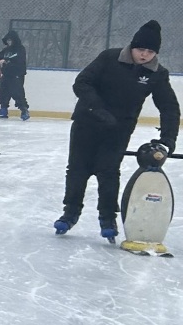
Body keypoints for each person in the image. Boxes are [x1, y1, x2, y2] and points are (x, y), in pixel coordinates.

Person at [56, 20, 179, 241]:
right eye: (141, 49)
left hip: (118, 129)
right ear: (132, 46)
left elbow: (169, 107)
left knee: (109, 171)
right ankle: (70, 213)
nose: (144, 55)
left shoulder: (156, 74)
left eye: (150, 51)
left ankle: (107, 218)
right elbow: (82, 83)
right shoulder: (109, 58)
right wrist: (97, 109)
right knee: (77, 169)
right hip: (87, 123)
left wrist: (168, 138)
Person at [0, 30, 30, 121]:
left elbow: (19, 59)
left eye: (10, 40)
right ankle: (3, 109)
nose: (9, 42)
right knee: (4, 91)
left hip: (16, 75)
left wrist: (6, 60)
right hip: (6, 74)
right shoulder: (6, 50)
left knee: (17, 92)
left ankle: (24, 110)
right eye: (7, 40)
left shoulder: (20, 49)